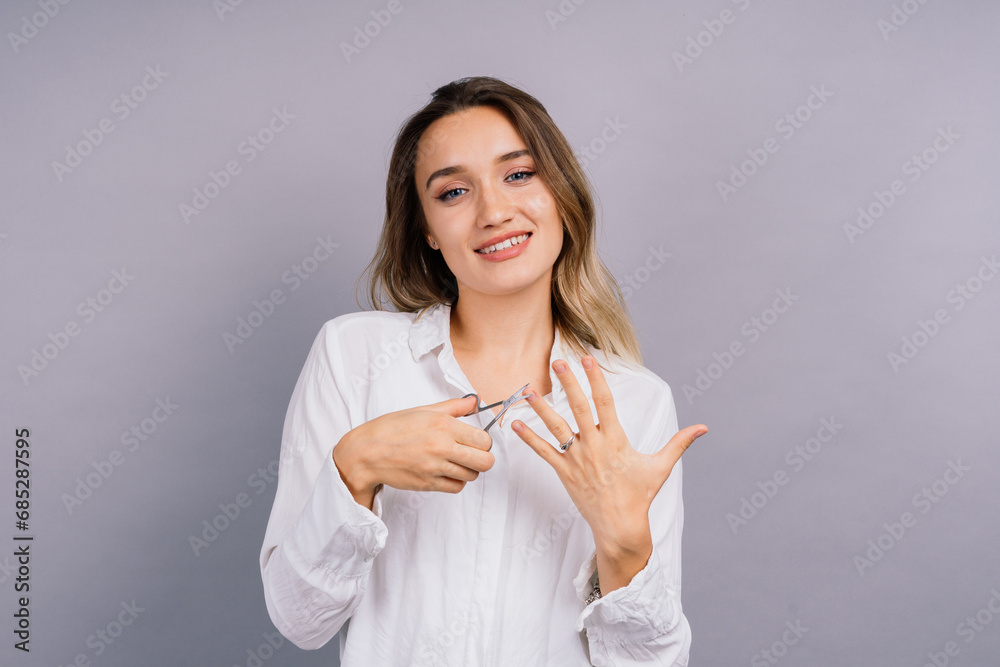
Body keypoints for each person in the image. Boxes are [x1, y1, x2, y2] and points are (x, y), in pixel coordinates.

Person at [259, 75, 707, 666]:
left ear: (562, 194)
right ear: (426, 229)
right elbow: (299, 620)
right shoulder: (352, 355)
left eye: (518, 175)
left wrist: (624, 549)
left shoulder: (636, 402)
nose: (494, 211)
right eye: (453, 192)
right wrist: (355, 467)